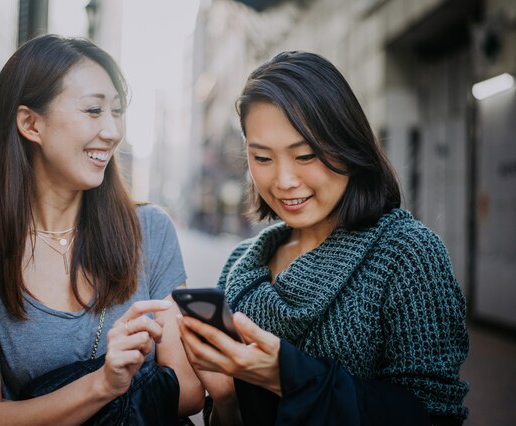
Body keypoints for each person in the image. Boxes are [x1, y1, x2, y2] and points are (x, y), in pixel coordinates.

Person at [178, 51, 469, 426]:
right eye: (262, 158)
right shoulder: (242, 263)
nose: (283, 181)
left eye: (306, 155)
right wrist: (227, 397)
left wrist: (289, 377)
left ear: (349, 145)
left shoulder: (408, 253)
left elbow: (432, 415)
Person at [0, 34, 204, 425]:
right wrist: (103, 385)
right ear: (30, 123)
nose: (112, 131)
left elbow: (190, 393)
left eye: (117, 111)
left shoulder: (150, 231)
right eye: (93, 110)